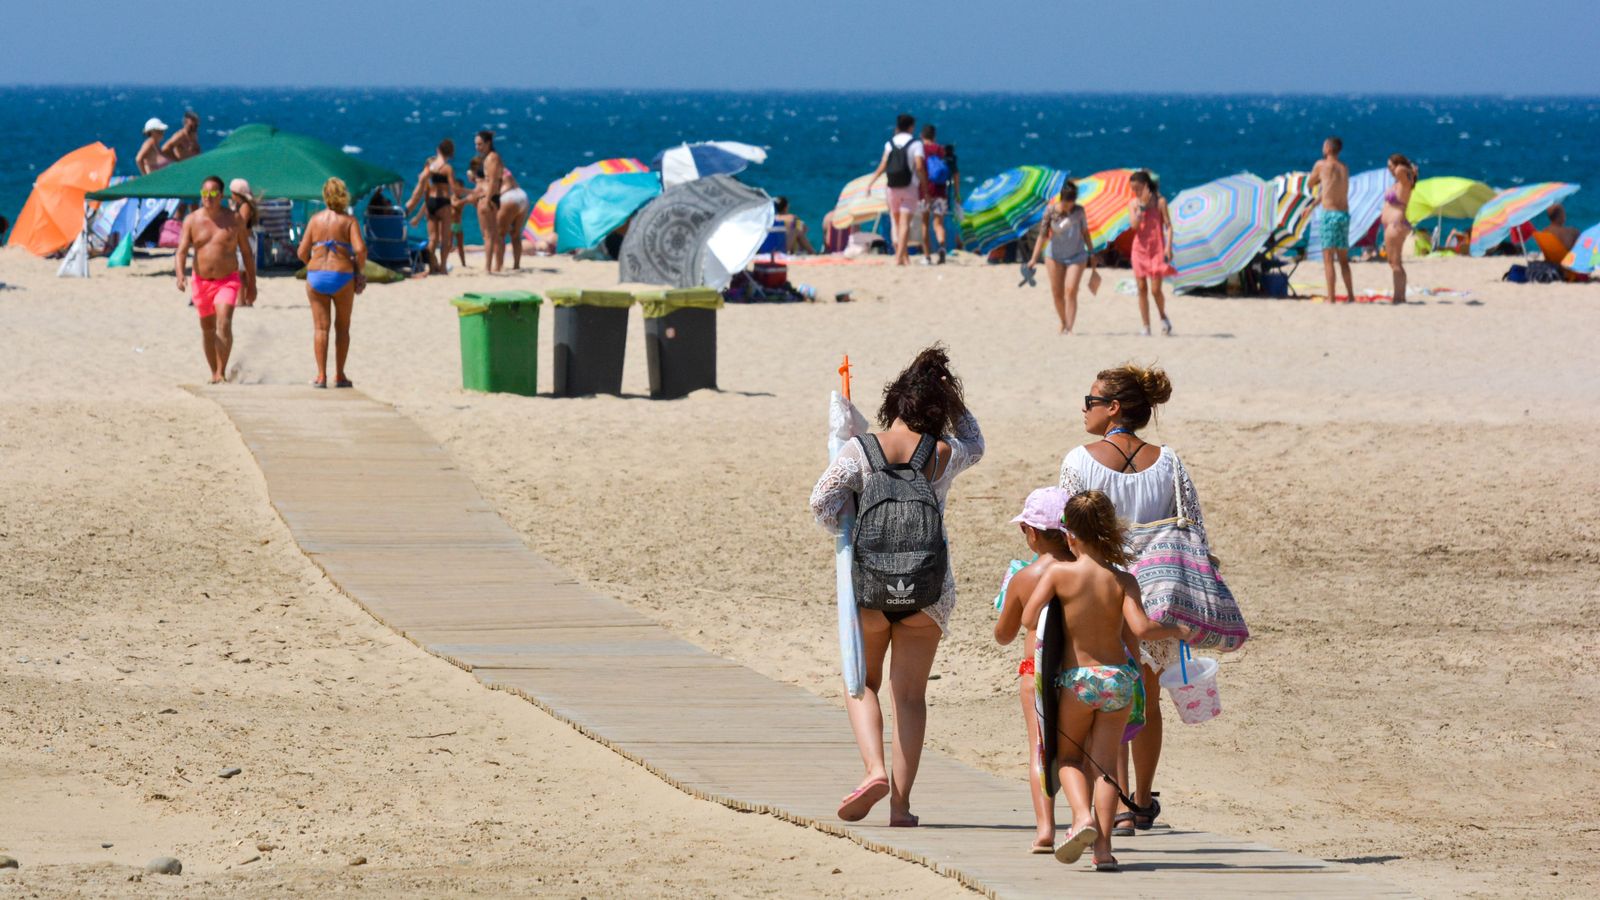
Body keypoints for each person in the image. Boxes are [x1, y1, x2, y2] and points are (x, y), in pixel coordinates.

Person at [809, 345, 984, 828]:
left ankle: (874, 770)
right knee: (908, 697)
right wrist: (953, 401)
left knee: (862, 683)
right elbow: (976, 441)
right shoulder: (944, 453)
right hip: (929, 590)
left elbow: (820, 501)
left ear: (893, 402)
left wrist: (848, 528)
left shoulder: (860, 449)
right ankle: (901, 807)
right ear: (937, 409)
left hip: (872, 585)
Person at [1058, 363, 1213, 840]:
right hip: (1158, 594)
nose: (1083, 409)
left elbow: (1069, 529)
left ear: (1113, 408)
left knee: (1111, 700)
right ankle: (1141, 802)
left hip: (1102, 592)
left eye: (1090, 401)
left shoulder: (1079, 461)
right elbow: (1195, 528)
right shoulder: (1169, 461)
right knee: (1146, 697)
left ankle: (1117, 803)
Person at [1023, 491, 1192, 870]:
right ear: (1108, 531)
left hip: (1077, 680)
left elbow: (1029, 618)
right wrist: (1177, 629)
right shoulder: (1123, 580)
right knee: (1104, 768)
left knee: (1069, 757)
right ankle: (1103, 851)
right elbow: (1142, 628)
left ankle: (1081, 817)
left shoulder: (1059, 574)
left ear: (1069, 534)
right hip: (1119, 680)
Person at [994, 486, 1075, 854]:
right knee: (1079, 751)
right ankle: (1084, 819)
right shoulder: (1084, 569)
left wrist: (1008, 599)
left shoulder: (1025, 577)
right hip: (1077, 668)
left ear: (1032, 533)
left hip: (1035, 671)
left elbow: (1004, 635)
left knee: (1040, 749)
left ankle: (1045, 828)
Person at [175, 175, 257, 384]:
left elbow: (246, 253)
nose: (208, 197)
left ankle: (221, 371)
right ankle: (214, 372)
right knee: (208, 329)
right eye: (204, 193)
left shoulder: (234, 219)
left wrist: (252, 284)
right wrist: (180, 274)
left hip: (227, 280)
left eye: (212, 193)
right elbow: (181, 250)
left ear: (221, 195)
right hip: (201, 282)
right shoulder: (192, 220)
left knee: (224, 322)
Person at [296, 177, 367, 389]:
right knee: (342, 328)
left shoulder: (315, 220)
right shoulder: (349, 221)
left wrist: (312, 264)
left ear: (325, 196)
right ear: (344, 195)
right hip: (341, 276)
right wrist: (359, 271)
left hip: (316, 276)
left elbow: (301, 252)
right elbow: (360, 249)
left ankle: (321, 376)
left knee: (320, 329)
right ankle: (340, 375)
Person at [1026, 180, 1097, 335]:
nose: (1068, 206)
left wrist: (1092, 253)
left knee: (1071, 290)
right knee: (1057, 292)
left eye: (1071, 203)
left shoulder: (1079, 211)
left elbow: (1085, 233)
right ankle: (1063, 322)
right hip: (1054, 256)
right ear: (1061, 198)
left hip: (1077, 255)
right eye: (1066, 202)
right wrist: (1033, 258)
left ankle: (1070, 328)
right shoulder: (1050, 211)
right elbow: (1042, 236)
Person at [865, 114, 925, 267]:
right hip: (909, 187)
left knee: (895, 222)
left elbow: (883, 165)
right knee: (905, 224)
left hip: (892, 188)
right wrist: (925, 186)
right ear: (911, 127)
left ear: (897, 126)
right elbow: (919, 167)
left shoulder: (890, 143)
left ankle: (903, 257)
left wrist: (870, 183)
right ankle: (899, 257)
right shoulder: (916, 144)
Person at [1308, 136, 1355, 304]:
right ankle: (1351, 296)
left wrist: (1315, 180)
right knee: (1343, 260)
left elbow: (1310, 183)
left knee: (1328, 259)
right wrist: (1312, 206)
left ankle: (1331, 297)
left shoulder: (1321, 165)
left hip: (1329, 215)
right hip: (1343, 215)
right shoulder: (1344, 168)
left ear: (1328, 148)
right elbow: (1329, 190)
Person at [1127, 170, 1174, 336]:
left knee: (1155, 290)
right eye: (1133, 189)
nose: (1136, 192)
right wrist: (1142, 208)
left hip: (1157, 249)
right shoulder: (1133, 204)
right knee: (1141, 288)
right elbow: (1134, 226)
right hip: (1139, 250)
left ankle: (1163, 317)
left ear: (1146, 186)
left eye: (1138, 188)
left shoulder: (1160, 202)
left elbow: (1169, 226)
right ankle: (1146, 326)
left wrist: (1169, 247)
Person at [405, 140, 458, 274]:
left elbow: (426, 201)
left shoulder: (429, 180)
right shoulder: (447, 168)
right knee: (445, 239)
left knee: (432, 239)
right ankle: (442, 267)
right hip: (443, 203)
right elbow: (454, 189)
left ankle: (432, 267)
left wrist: (417, 217)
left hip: (431, 205)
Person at [1381, 155, 1419, 304]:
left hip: (1396, 224)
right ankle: (1399, 296)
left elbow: (1400, 170)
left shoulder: (1405, 182)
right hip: (1391, 225)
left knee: (1395, 263)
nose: (1390, 170)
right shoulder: (1398, 183)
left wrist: (1408, 167)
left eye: (1391, 166)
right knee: (1393, 262)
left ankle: (1399, 297)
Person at [474, 131, 510, 273]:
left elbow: (493, 181)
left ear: (488, 143)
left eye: (480, 144)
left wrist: (487, 200)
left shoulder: (492, 158)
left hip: (488, 198)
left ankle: (488, 268)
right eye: (476, 144)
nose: (477, 147)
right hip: (492, 197)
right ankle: (497, 266)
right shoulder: (492, 157)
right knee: (494, 235)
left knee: (488, 236)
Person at [919, 125, 950, 264]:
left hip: (924, 191)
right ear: (934, 136)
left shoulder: (921, 150)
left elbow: (918, 168)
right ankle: (942, 246)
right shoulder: (941, 150)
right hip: (940, 191)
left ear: (922, 136)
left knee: (924, 224)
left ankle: (927, 256)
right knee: (938, 224)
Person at [494, 164, 531, 271]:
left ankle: (499, 266)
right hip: (522, 195)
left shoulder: (490, 168)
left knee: (500, 235)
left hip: (509, 197)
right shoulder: (503, 169)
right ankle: (516, 265)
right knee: (516, 234)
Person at [230, 178, 259, 267]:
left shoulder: (244, 207)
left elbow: (241, 226)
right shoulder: (241, 206)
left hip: (245, 243)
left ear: (237, 194)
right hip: (244, 242)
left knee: (242, 271)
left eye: (232, 193)